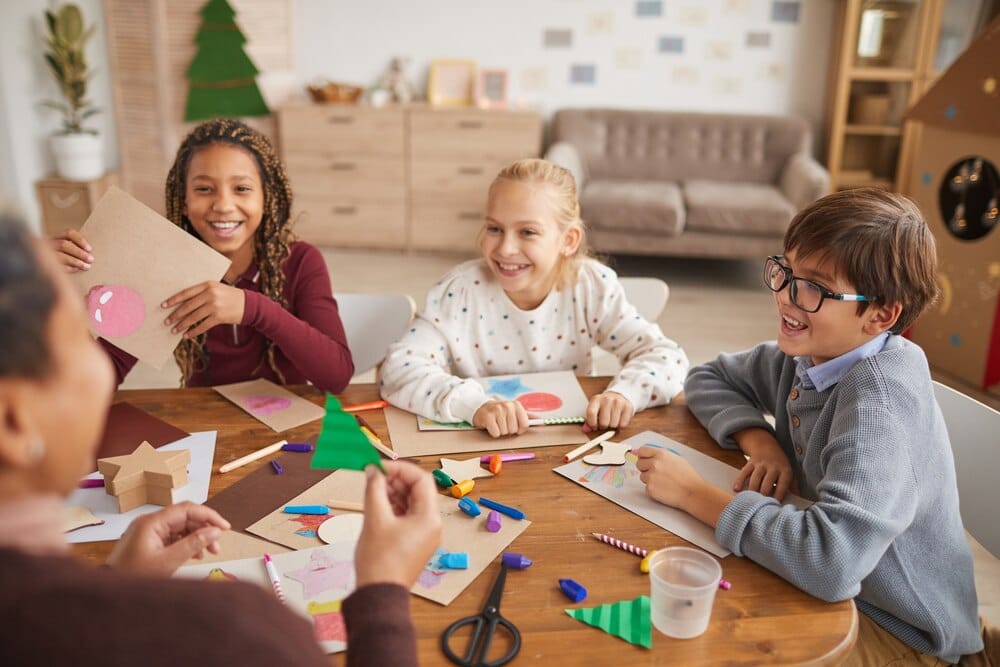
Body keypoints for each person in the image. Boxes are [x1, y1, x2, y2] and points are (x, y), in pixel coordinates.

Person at [0, 212, 441, 666]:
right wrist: (384, 590)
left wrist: (117, 577)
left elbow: (335, 370)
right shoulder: (239, 634)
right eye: (79, 335)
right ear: (14, 421)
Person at [635, 188, 990, 664]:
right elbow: (707, 376)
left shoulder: (877, 406)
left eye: (815, 288)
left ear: (881, 315)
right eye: (786, 271)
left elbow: (831, 562)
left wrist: (693, 495)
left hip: (902, 633)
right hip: (832, 592)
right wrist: (760, 441)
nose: (785, 296)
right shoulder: (810, 357)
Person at [379, 158, 689, 437]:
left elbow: (667, 356)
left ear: (568, 240)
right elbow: (399, 368)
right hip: (481, 445)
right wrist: (472, 405)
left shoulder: (591, 286)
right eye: (494, 228)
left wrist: (625, 394)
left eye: (527, 232)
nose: (505, 249)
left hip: (568, 442)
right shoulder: (460, 291)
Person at [51, 118, 353, 392]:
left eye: (242, 188)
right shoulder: (161, 266)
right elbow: (102, 378)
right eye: (204, 189)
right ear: (183, 200)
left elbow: (337, 376)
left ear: (266, 198)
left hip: (287, 426)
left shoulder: (301, 261)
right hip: (205, 428)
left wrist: (254, 308)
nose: (223, 205)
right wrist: (59, 302)